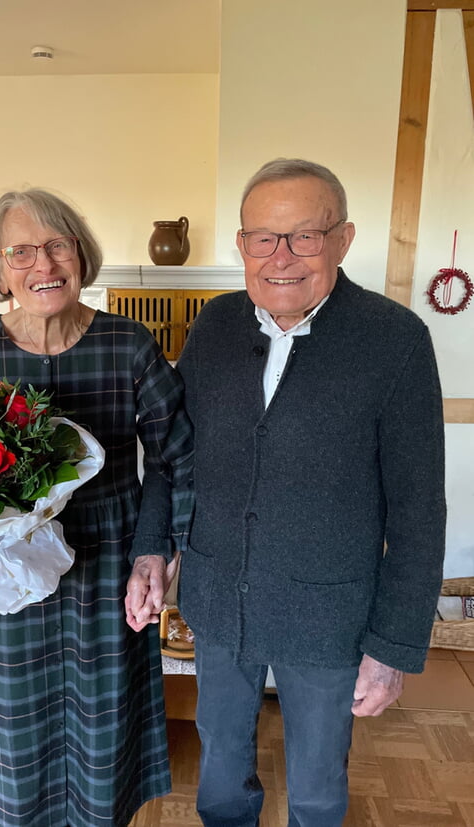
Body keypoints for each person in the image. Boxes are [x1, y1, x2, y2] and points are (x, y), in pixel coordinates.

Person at [174, 158, 446, 827]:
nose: (281, 257)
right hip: (220, 595)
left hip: (329, 612)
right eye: (263, 237)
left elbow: (418, 510)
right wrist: (158, 548)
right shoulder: (214, 326)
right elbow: (177, 456)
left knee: (319, 788)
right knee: (219, 770)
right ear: (241, 244)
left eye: (305, 236)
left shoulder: (395, 340)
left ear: (343, 239)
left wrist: (392, 645)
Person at [0, 188, 192, 827]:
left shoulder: (128, 342)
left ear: (80, 255)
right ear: (0, 270)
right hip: (10, 564)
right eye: (21, 252)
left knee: (101, 724)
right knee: (10, 727)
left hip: (109, 557)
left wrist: (155, 552)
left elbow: (173, 459)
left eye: (57, 245)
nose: (43, 265)